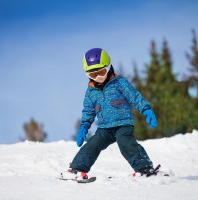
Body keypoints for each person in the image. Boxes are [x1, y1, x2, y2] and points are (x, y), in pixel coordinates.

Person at [62, 48, 158, 180]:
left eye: (101, 72)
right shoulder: (91, 91)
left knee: (126, 143)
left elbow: (134, 97)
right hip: (104, 128)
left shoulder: (119, 82)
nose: (98, 78)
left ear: (109, 67)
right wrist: (84, 126)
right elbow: (88, 110)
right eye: (92, 75)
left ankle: (144, 168)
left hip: (123, 123)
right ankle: (77, 169)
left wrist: (146, 110)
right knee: (92, 144)